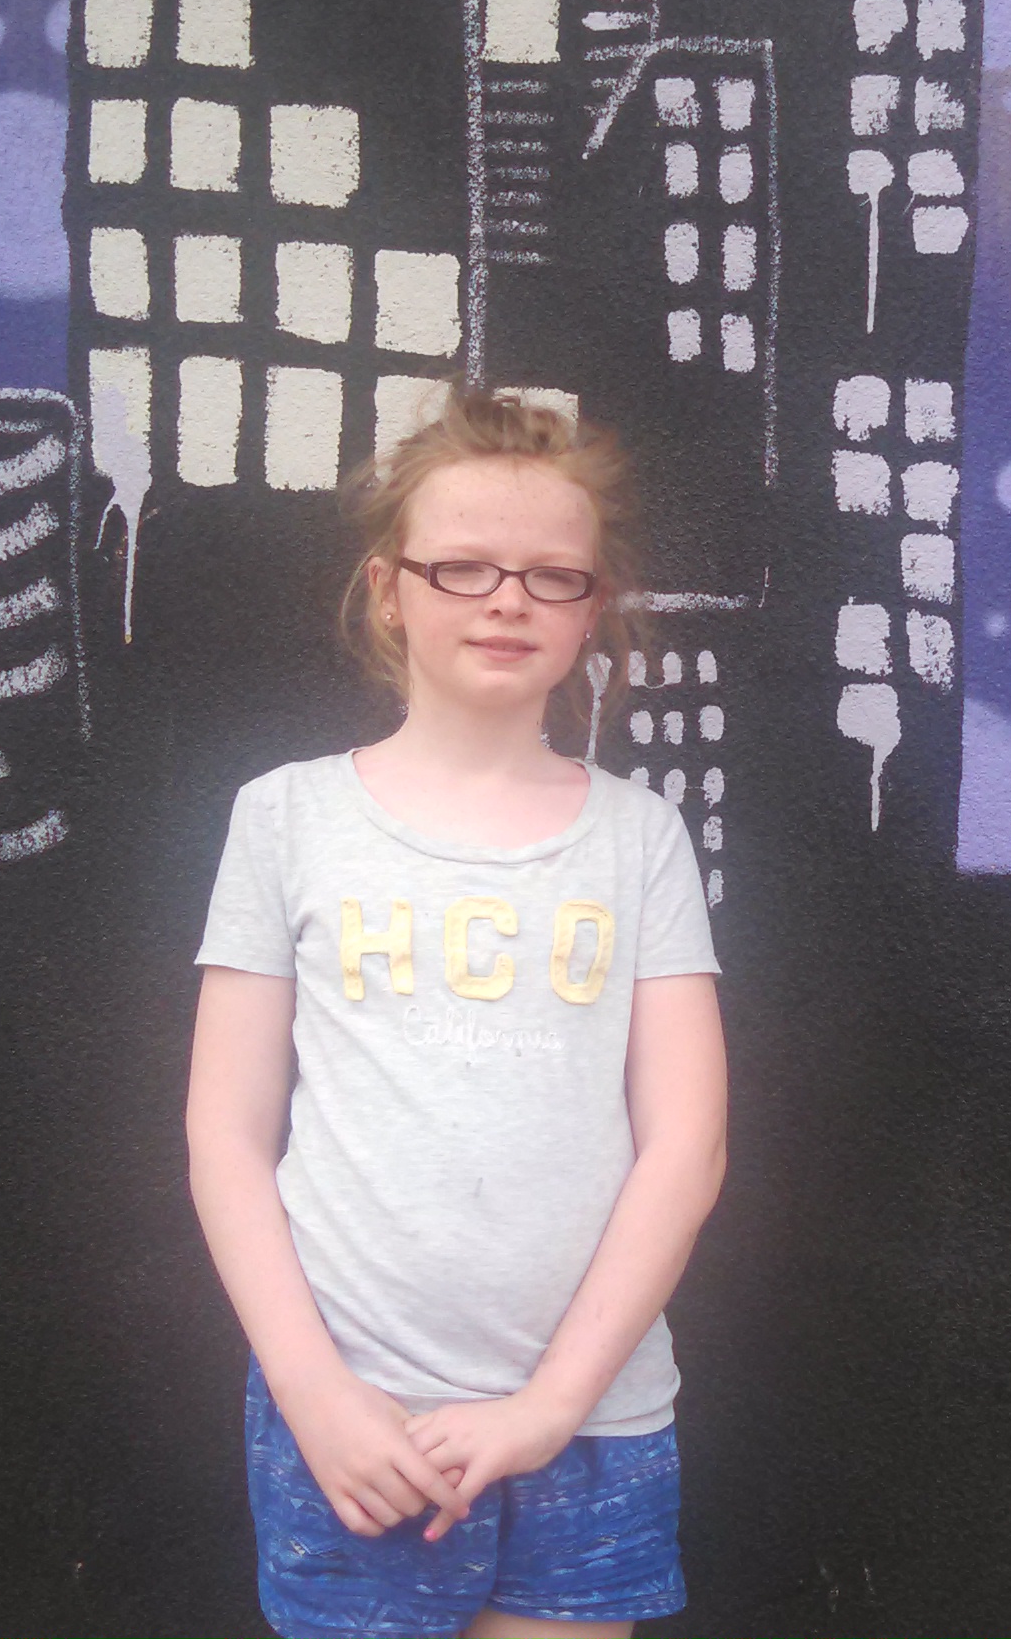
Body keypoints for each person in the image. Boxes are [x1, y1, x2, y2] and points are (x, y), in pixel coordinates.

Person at [185, 383, 729, 1639]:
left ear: (594, 606)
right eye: (464, 566)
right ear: (390, 589)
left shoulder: (640, 839)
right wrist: (312, 1394)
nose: (506, 600)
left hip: (592, 1424)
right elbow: (224, 1134)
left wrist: (550, 1407)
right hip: (354, 1420)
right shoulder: (284, 818)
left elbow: (688, 1146)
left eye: (552, 576)